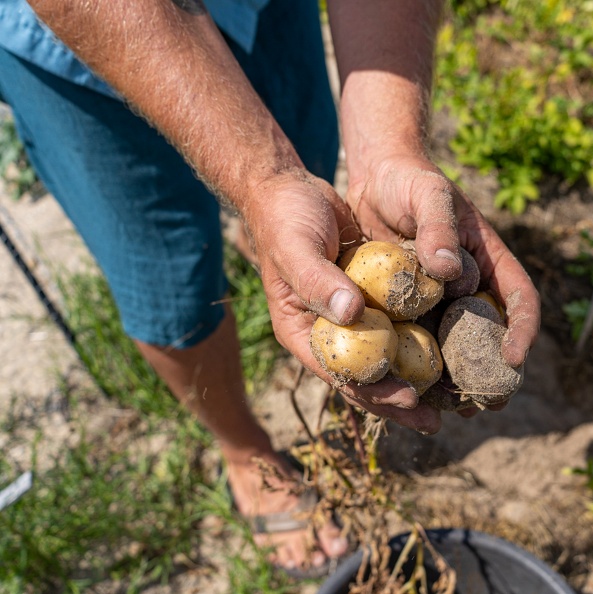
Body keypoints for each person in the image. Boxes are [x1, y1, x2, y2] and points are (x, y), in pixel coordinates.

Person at [0, 0, 541, 577]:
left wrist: (389, 148)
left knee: (306, 185)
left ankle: (263, 231)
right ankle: (244, 449)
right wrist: (263, 177)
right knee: (169, 281)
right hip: (77, 38)